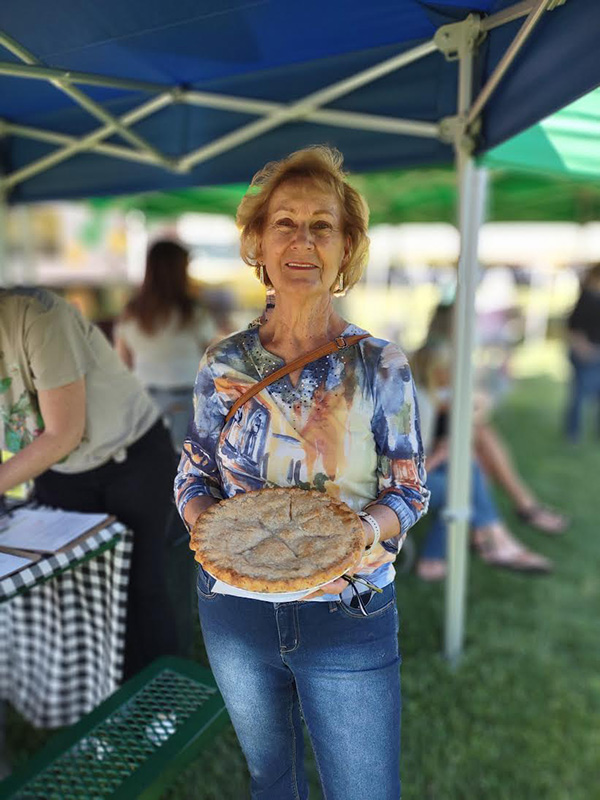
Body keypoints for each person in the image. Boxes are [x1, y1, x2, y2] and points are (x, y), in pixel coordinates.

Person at [174, 145, 429, 800]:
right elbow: (193, 474)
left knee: (365, 789)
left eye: (323, 225)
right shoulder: (222, 362)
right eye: (285, 222)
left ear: (346, 247)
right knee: (271, 780)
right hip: (233, 612)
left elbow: (408, 487)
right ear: (258, 241)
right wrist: (221, 536)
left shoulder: (380, 364)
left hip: (347, 608)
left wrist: (349, 537)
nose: (303, 240)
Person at [0, 287, 181, 679]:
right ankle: (102, 699)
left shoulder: (39, 316)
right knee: (80, 593)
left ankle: (163, 697)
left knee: (140, 584)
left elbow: (63, 434)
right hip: (58, 470)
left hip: (131, 456)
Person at [416, 302, 567, 535]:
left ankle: (486, 529)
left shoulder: (444, 351)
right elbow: (445, 401)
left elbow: (466, 400)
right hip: (429, 436)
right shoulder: (436, 352)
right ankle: (518, 509)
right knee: (478, 438)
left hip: (442, 428)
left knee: (478, 445)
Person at [411, 360, 552, 581]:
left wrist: (442, 450)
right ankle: (491, 536)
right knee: (461, 481)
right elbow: (402, 475)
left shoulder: (428, 400)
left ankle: (487, 536)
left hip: (420, 471)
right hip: (399, 483)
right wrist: (439, 455)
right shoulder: (415, 403)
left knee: (467, 459)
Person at [114, 240, 216, 451]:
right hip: (190, 399)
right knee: (188, 466)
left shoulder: (132, 313)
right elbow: (214, 354)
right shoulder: (193, 312)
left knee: (154, 464)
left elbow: (122, 363)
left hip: (146, 401)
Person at [564, 263, 600, 442]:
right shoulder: (587, 297)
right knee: (578, 395)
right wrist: (582, 347)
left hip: (595, 351)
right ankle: (573, 433)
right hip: (586, 352)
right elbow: (573, 325)